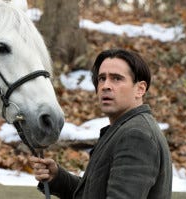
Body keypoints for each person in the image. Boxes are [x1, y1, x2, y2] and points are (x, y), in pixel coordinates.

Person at [30, 49, 172, 199]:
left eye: (116, 78)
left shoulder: (136, 135)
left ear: (140, 89)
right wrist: (58, 178)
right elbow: (94, 193)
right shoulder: (124, 129)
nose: (105, 86)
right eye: (102, 78)